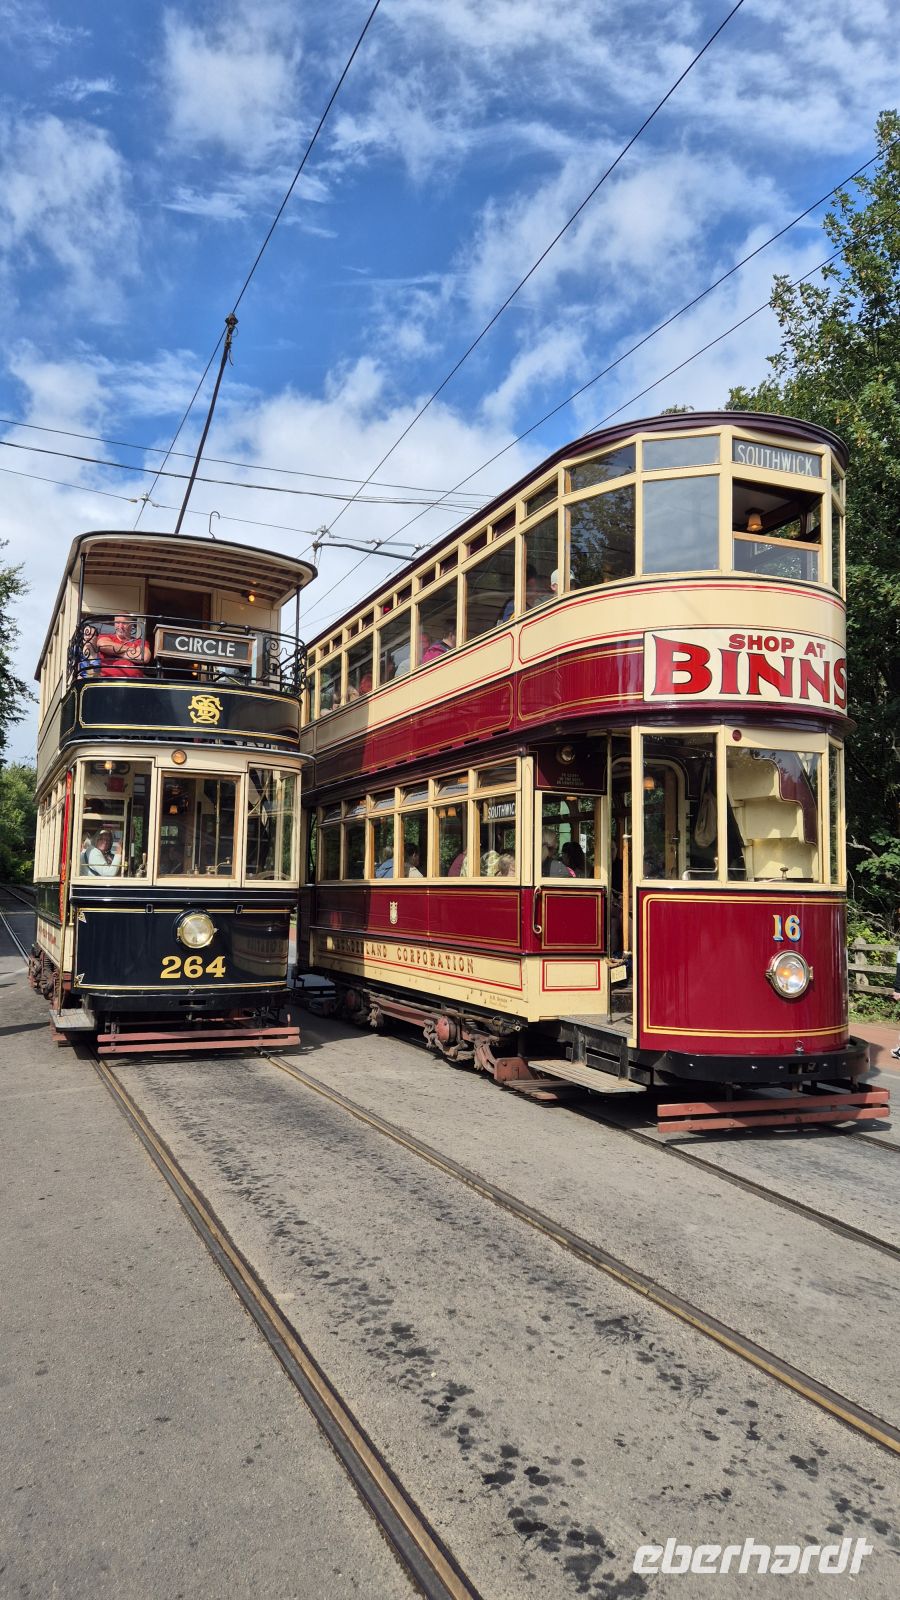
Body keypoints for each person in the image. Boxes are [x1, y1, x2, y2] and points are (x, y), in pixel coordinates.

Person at [97, 614, 151, 679]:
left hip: (133, 683)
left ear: (131, 626)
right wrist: (131, 649)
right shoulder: (107, 637)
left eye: (124, 623)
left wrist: (113, 651)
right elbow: (102, 645)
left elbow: (144, 657)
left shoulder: (139, 642)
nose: (120, 626)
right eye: (117, 622)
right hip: (108, 681)